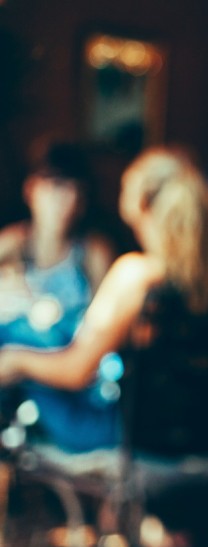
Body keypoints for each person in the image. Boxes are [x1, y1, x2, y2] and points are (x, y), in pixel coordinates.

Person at [0, 146, 208, 459]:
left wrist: (16, 361)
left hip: (123, 431)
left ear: (140, 203)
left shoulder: (136, 274)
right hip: (203, 431)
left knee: (15, 333)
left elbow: (77, 371)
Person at [0, 140, 117, 452]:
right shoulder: (11, 244)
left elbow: (106, 339)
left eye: (74, 189)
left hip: (71, 375)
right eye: (55, 187)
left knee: (31, 333)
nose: (65, 199)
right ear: (31, 189)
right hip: (20, 385)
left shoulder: (92, 253)